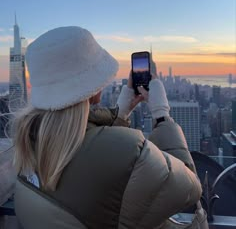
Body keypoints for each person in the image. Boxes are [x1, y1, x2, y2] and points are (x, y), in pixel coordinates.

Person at [13, 26, 202, 229]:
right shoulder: (129, 152)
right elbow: (190, 188)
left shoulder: (27, 145)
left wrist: (120, 114)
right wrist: (162, 115)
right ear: (94, 91)